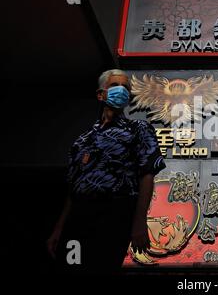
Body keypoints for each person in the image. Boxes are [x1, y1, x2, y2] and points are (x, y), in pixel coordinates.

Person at [46, 69, 165, 274]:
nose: (122, 90)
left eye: (126, 87)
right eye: (115, 86)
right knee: (70, 267)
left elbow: (147, 174)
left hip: (114, 215)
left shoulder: (139, 129)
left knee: (100, 269)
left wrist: (138, 222)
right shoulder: (82, 141)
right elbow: (73, 189)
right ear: (101, 94)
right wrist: (59, 228)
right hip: (78, 217)